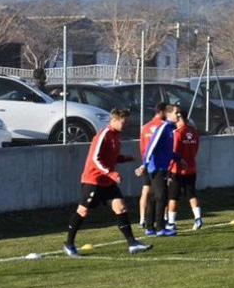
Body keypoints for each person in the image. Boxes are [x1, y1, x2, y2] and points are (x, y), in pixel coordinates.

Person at [64, 108, 152, 257]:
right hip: (93, 180)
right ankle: (69, 244)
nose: (126, 125)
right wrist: (111, 173)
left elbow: (110, 157)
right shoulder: (103, 134)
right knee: (83, 211)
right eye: (123, 122)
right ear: (115, 120)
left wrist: (124, 158)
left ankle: (132, 244)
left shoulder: (116, 137)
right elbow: (95, 159)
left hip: (107, 182)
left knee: (121, 208)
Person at [138, 104, 178, 237]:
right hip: (156, 168)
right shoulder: (163, 128)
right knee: (162, 196)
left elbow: (166, 150)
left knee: (155, 197)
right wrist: (144, 164)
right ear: (168, 114)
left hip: (160, 167)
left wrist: (178, 158)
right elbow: (151, 146)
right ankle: (160, 228)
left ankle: (150, 227)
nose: (178, 115)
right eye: (176, 113)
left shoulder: (170, 129)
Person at [166, 109, 202, 231]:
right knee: (191, 194)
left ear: (180, 118)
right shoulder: (194, 132)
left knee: (173, 196)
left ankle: (171, 222)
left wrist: (169, 166)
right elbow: (196, 149)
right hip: (191, 168)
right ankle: (198, 218)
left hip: (177, 170)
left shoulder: (177, 133)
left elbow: (174, 152)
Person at [137, 103, 167, 229]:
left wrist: (144, 163)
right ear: (162, 112)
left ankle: (142, 219)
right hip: (158, 165)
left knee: (146, 191)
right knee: (161, 193)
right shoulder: (163, 126)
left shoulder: (145, 127)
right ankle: (163, 220)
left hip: (146, 163)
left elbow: (142, 146)